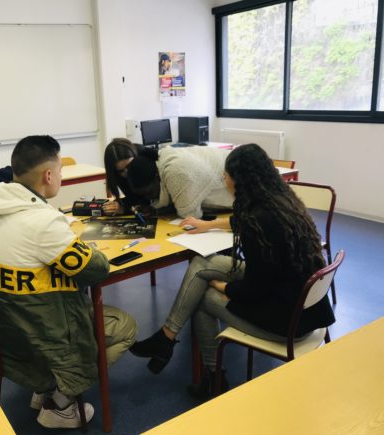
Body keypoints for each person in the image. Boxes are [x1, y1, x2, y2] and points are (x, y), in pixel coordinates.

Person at [129, 143, 335, 398]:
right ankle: (166, 337)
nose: (223, 179)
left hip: (287, 322)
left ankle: (213, 377)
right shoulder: (281, 201)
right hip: (301, 304)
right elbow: (243, 226)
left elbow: (253, 290)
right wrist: (208, 224)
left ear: (241, 180)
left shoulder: (258, 223)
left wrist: (223, 287)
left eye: (226, 175)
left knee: (204, 298)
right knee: (203, 262)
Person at [0, 135, 137, 429]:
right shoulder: (42, 223)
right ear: (48, 175)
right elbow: (96, 270)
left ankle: (43, 387)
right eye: (59, 171)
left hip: (0, 337)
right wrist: (85, 248)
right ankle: (61, 400)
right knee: (127, 327)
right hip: (38, 339)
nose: (60, 176)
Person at [126, 146, 234, 218]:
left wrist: (159, 210)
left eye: (149, 193)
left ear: (156, 176)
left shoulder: (176, 172)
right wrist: (155, 209)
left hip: (239, 182)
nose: (148, 198)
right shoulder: (162, 159)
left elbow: (191, 216)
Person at [102, 138, 150, 216]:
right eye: (121, 171)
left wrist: (125, 208)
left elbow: (150, 201)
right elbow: (134, 199)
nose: (128, 173)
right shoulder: (117, 175)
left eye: (130, 166)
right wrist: (120, 205)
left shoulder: (146, 157)